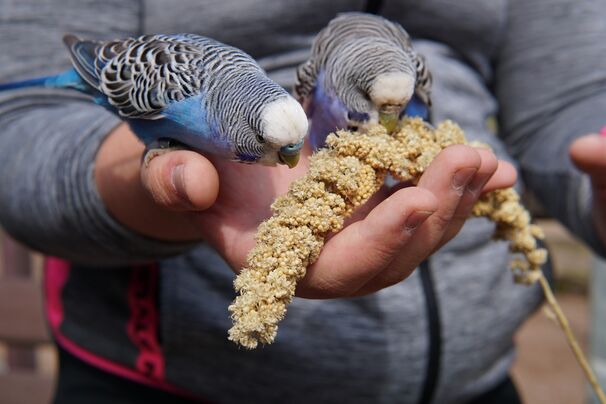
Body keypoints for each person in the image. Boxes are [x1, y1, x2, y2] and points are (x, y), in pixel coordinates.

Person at [0, 0, 605, 403]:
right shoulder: (184, 100)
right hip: (163, 383)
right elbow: (24, 128)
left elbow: (569, 97)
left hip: (482, 384)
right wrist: (159, 191)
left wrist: (594, 179)